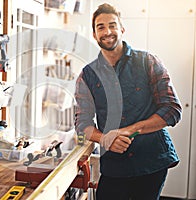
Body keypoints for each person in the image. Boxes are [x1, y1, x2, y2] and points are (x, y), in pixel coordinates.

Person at [74, 3, 182, 200]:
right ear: (94, 34)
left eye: (112, 25)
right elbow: (83, 125)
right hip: (115, 166)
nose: (107, 32)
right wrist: (106, 138)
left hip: (151, 161)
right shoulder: (87, 76)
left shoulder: (148, 62)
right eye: (101, 27)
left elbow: (172, 110)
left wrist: (127, 131)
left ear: (122, 29)